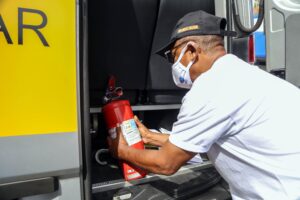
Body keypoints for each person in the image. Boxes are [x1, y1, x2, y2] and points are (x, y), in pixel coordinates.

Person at [107, 10, 300, 199]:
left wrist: (121, 151)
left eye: (173, 56)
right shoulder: (241, 74)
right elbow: (199, 141)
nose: (173, 64)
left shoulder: (210, 89)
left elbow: (166, 164)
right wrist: (151, 137)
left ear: (191, 51)